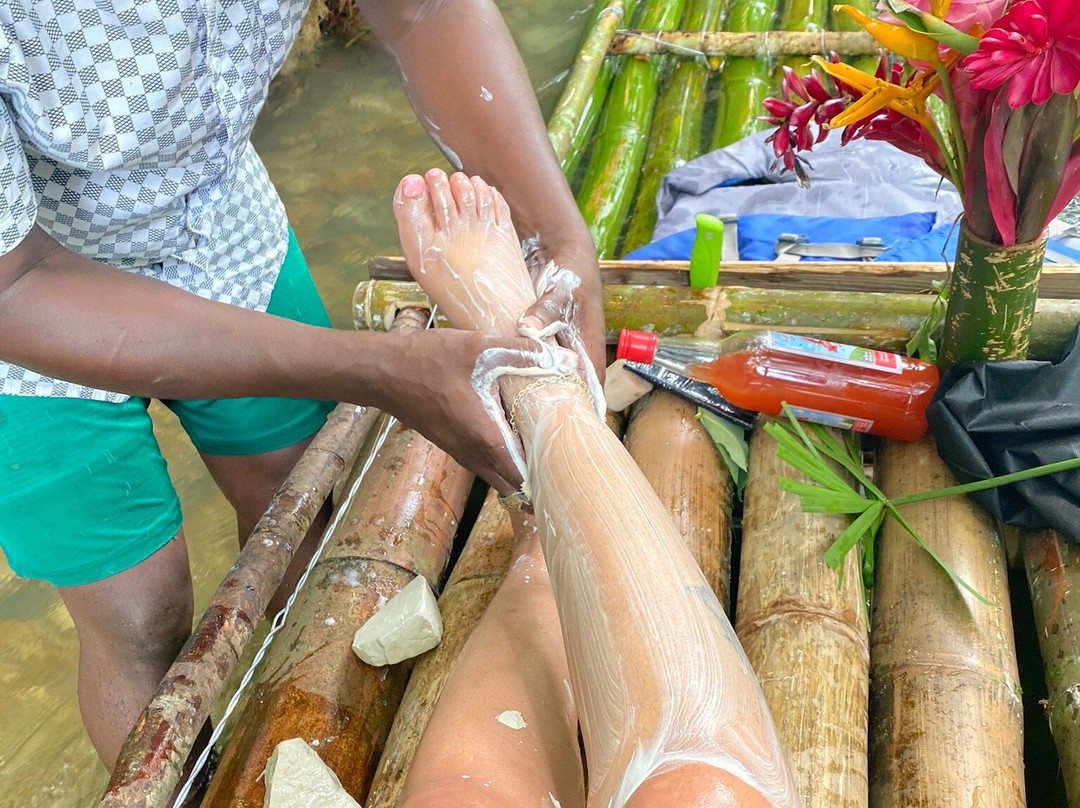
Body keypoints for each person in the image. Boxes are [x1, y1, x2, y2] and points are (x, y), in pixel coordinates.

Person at [0, 0, 602, 784]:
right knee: (139, 615)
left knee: (300, 508)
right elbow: (14, 286)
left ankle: (298, 730)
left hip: (218, 217)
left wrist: (561, 236)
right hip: (29, 312)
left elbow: (426, 11)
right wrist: (376, 369)